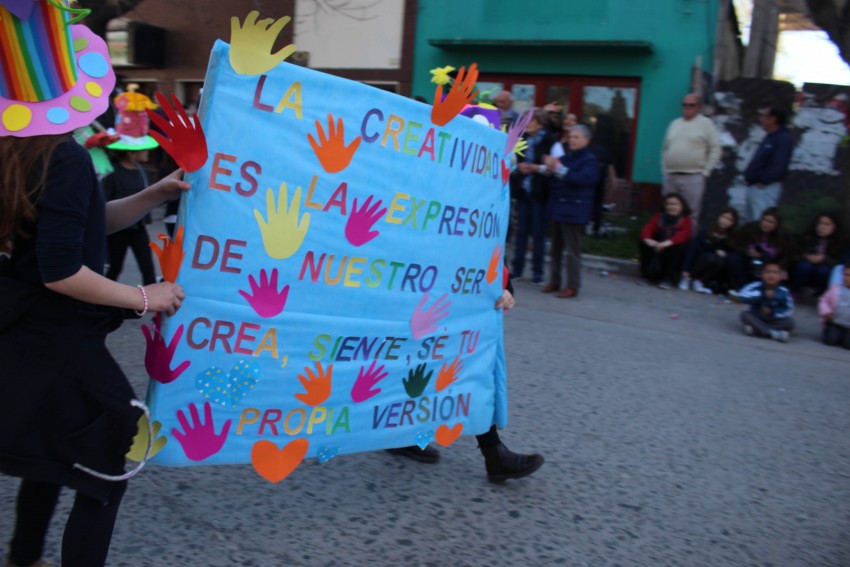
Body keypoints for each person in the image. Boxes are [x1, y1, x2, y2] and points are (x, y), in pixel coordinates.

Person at [0, 4, 187, 565]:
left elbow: (81, 225)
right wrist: (144, 298)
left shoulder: (17, 155)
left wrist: (153, 196)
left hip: (20, 337)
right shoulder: (66, 155)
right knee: (113, 456)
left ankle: (23, 554)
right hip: (56, 344)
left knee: (59, 452)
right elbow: (60, 270)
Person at [388, 280, 545, 483]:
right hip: (416, 296)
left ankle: (494, 454)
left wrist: (505, 290)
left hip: (457, 301)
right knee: (413, 366)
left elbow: (490, 261)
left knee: (471, 370)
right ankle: (399, 434)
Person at [541, 124, 599, 298]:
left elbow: (582, 179)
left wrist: (558, 169)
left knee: (572, 252)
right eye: (570, 137)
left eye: (576, 137)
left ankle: (572, 285)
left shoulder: (590, 160)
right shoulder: (566, 158)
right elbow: (558, 180)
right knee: (555, 249)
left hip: (575, 209)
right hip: (558, 207)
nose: (572, 140)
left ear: (587, 140)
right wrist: (550, 169)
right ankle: (554, 280)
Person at [510, 110, 556, 285]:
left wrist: (537, 168)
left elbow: (554, 167)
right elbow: (512, 160)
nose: (527, 125)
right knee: (520, 232)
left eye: (531, 121)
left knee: (538, 234)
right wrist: (518, 168)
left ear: (540, 123)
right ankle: (517, 268)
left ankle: (538, 271)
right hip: (523, 191)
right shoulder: (522, 139)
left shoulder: (550, 141)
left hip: (540, 193)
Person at [661, 93, 721, 226]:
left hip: (693, 177)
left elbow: (715, 149)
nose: (687, 108)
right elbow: (665, 148)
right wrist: (665, 170)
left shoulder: (706, 123)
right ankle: (666, 241)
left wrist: (705, 172)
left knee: (691, 213)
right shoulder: (674, 123)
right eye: (684, 105)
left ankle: (687, 244)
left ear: (698, 107)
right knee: (668, 211)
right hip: (671, 176)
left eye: (691, 105)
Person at [743, 106, 794, 222]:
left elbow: (779, 166)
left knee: (761, 221)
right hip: (754, 187)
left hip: (765, 189)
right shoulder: (770, 137)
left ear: (773, 119)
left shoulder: (783, 139)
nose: (760, 119)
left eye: (763, 116)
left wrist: (764, 180)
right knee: (751, 223)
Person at [638, 193, 693, 289]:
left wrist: (668, 243)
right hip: (658, 245)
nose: (671, 207)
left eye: (674, 204)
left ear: (682, 206)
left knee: (678, 248)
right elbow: (648, 228)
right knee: (644, 243)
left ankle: (668, 278)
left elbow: (685, 235)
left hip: (672, 248)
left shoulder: (686, 220)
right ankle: (647, 275)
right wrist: (648, 240)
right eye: (668, 204)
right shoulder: (659, 216)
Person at [727, 207, 790, 290]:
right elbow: (734, 243)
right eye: (764, 220)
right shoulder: (750, 227)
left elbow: (785, 256)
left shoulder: (782, 236)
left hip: (768, 263)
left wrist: (782, 268)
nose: (766, 223)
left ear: (777, 224)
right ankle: (744, 288)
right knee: (733, 258)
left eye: (770, 222)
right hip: (747, 259)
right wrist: (747, 251)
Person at [680, 206, 739, 294]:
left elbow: (732, 251)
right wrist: (686, 269)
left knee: (719, 261)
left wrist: (724, 253)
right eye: (724, 217)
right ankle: (687, 278)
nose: (725, 221)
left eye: (730, 220)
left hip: (713, 263)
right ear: (719, 216)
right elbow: (694, 249)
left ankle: (700, 281)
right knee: (710, 257)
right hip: (699, 259)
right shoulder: (707, 230)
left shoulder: (730, 237)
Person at [737, 260, 795, 342]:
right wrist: (762, 295)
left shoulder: (783, 292)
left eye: (775, 273)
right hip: (757, 316)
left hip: (774, 319)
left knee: (790, 322)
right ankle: (772, 333)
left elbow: (788, 309)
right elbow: (742, 296)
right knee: (745, 315)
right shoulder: (755, 286)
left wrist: (773, 312)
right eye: (767, 272)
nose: (771, 275)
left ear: (781, 276)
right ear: (762, 274)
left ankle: (757, 330)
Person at [790, 213, 844, 296]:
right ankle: (794, 292)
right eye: (820, 223)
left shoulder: (840, 242)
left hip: (824, 273)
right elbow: (793, 256)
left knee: (824, 270)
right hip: (805, 268)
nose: (822, 227)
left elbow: (841, 264)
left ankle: (822, 295)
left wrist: (824, 259)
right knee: (805, 267)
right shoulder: (806, 237)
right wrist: (806, 256)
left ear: (834, 226)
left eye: (827, 224)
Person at [818, 265, 850, 349]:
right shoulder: (836, 288)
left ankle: (843, 336)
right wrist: (827, 311)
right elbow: (824, 300)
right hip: (835, 322)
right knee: (831, 340)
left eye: (849, 275)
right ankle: (831, 332)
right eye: (845, 274)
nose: (846, 278)